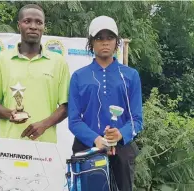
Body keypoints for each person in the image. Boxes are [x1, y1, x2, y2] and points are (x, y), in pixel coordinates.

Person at [68, 15, 143, 190]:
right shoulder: (79, 76)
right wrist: (96, 139)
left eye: (110, 37)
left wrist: (120, 134)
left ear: (117, 42)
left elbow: (137, 119)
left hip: (122, 148)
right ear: (91, 42)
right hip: (87, 147)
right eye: (99, 38)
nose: (105, 42)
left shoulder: (131, 76)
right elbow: (74, 120)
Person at [0, 4, 70, 143]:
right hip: (10, 143)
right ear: (19, 25)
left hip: (45, 143)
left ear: (44, 26)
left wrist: (44, 124)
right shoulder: (2, 60)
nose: (33, 26)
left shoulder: (58, 62)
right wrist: (10, 114)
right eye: (27, 21)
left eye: (39, 22)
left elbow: (66, 106)